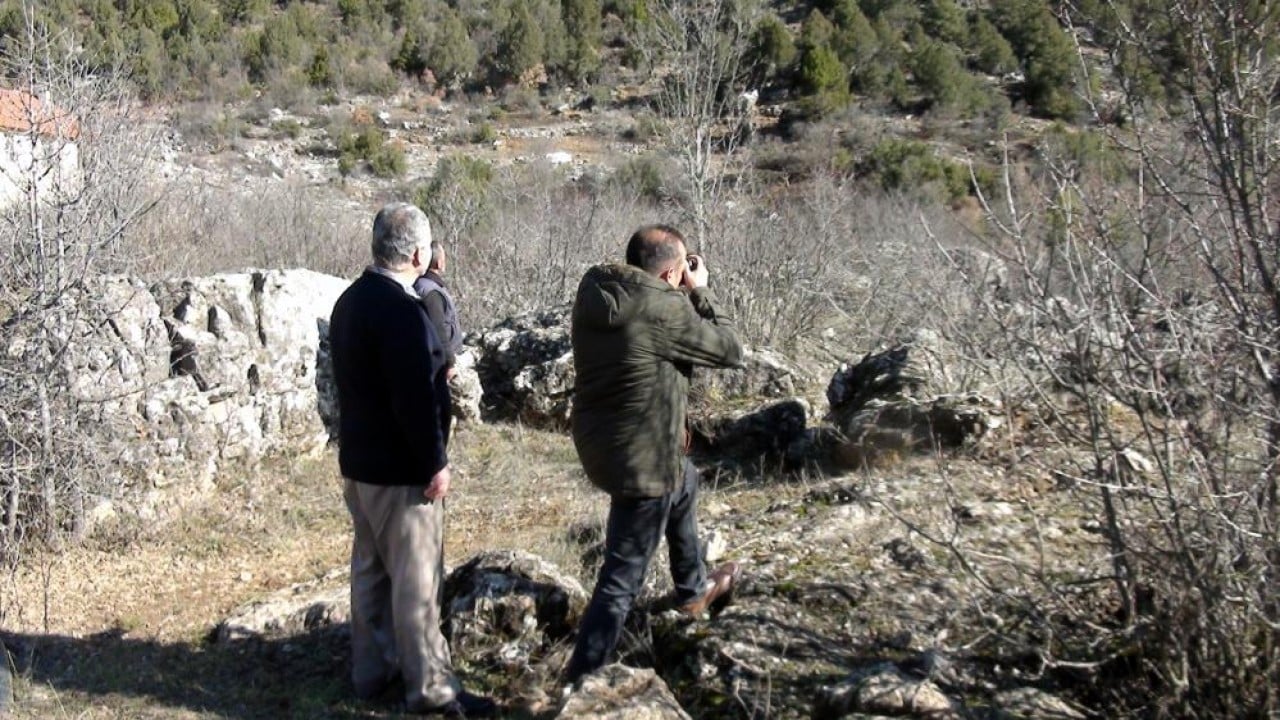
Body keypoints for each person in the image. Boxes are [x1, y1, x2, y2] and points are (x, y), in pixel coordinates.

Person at [328, 202, 495, 717]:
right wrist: (434, 463)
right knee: (417, 578)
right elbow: (415, 398)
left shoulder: (349, 301)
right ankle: (431, 690)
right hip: (401, 470)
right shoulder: (402, 312)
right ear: (419, 254)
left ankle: (371, 672)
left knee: (372, 572)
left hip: (359, 464)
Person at [565, 224, 745, 684]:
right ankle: (583, 678)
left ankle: (691, 589)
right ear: (670, 274)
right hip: (642, 459)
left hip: (600, 443)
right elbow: (728, 350)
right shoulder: (663, 308)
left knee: (684, 482)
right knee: (622, 577)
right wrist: (700, 292)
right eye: (681, 269)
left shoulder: (597, 291)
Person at [413, 241, 464, 379]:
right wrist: (449, 363)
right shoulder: (431, 292)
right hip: (441, 367)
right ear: (439, 263)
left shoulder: (421, 285)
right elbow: (438, 330)